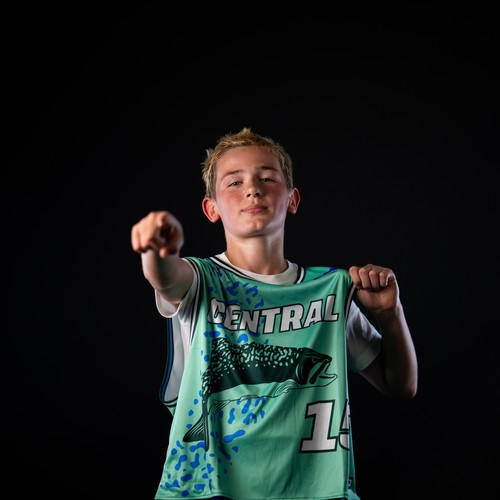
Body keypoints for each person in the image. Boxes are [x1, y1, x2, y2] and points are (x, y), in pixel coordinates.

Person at [131, 127, 418, 500]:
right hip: (206, 490)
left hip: (316, 491)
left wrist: (390, 314)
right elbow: (165, 277)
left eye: (267, 178)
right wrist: (157, 249)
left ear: (292, 199)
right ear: (211, 208)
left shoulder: (330, 291)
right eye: (234, 182)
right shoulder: (200, 280)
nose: (253, 189)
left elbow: (401, 385)